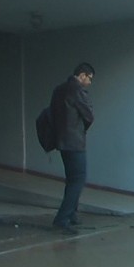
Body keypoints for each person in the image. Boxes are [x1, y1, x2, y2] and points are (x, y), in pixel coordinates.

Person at [50, 62, 95, 235]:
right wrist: (81, 129)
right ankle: (62, 219)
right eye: (89, 79)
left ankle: (72, 214)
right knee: (78, 179)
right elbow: (89, 116)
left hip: (62, 141)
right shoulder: (77, 91)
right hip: (75, 142)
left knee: (71, 179)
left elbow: (51, 114)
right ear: (82, 75)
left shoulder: (59, 89)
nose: (89, 83)